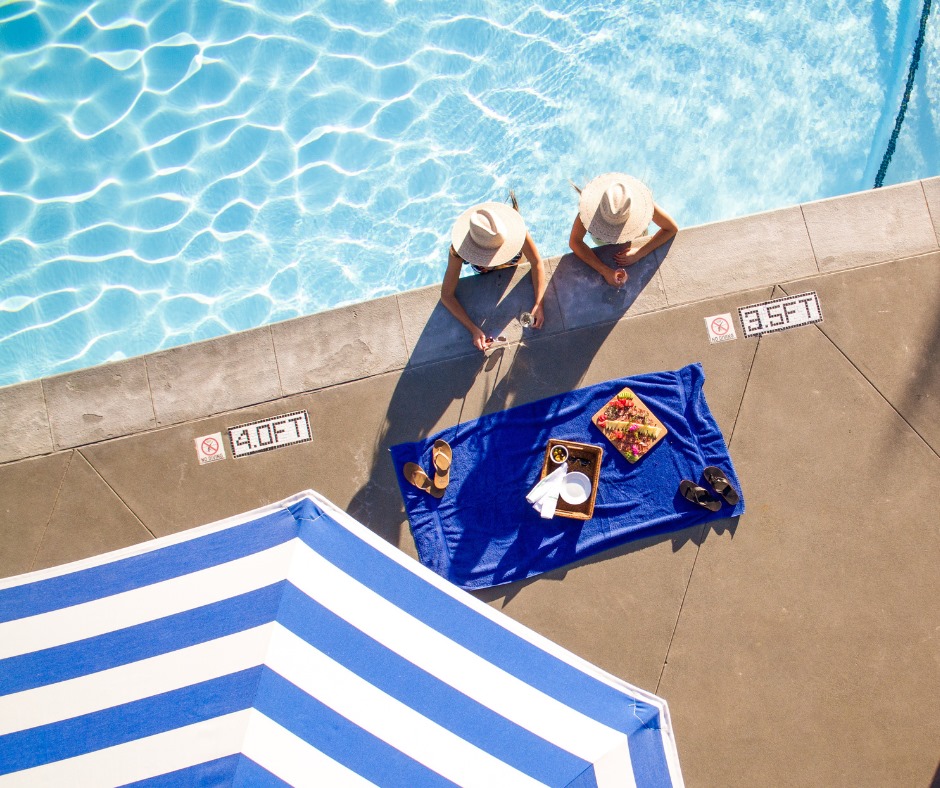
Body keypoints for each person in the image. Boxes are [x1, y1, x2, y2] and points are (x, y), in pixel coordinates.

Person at [441, 192, 547, 352]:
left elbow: (536, 262)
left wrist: (539, 303)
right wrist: (473, 329)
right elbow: (446, 295)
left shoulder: (517, 233)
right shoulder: (458, 251)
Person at [568, 173, 678, 287]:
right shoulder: (588, 212)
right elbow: (575, 242)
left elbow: (671, 228)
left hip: (637, 239)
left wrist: (640, 252)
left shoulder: (641, 205)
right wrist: (604, 270)